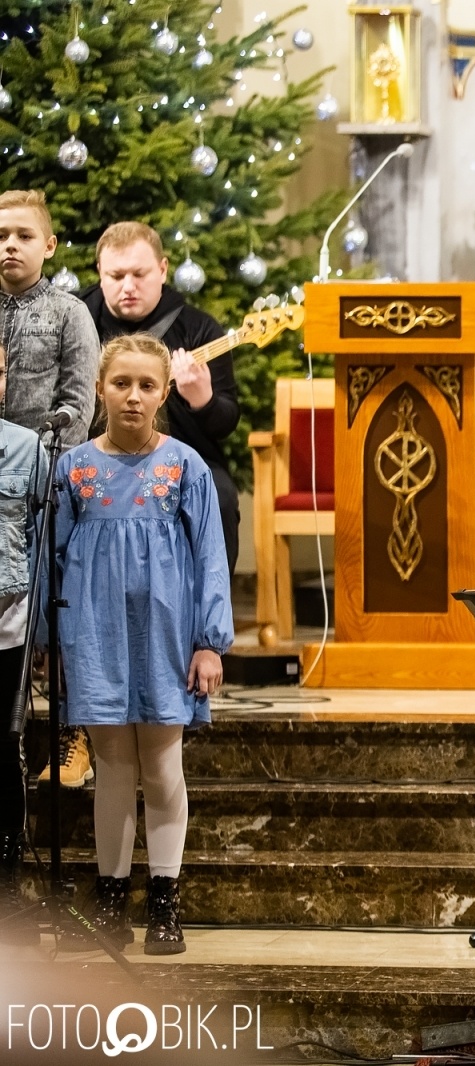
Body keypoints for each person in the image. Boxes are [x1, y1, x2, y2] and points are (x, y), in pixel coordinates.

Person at [53, 333, 232, 955]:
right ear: (101, 387)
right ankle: (109, 901)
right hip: (95, 633)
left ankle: (164, 903)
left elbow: (210, 556)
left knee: (160, 766)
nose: (133, 396)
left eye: (147, 385)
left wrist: (209, 642)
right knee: (112, 769)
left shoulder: (184, 466)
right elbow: (54, 557)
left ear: (163, 393)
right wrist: (54, 638)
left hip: (166, 634)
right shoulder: (73, 468)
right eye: (121, 383)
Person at [0, 190, 98, 792]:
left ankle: (72, 731)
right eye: (0, 235)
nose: (9, 245)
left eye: (23, 235)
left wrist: (38, 465)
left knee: (56, 600)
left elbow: (77, 407)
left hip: (45, 483)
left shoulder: (68, 314)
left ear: (49, 245)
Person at [82, 222, 241, 574]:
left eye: (139, 274)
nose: (128, 286)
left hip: (182, 460)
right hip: (94, 455)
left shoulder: (200, 329)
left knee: (220, 494)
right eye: (116, 275)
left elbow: (226, 422)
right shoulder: (80, 320)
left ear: (163, 269)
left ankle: (208, 619)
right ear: (100, 273)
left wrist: (204, 400)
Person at [0, 342, 47, 945]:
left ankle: (7, 878)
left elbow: (42, 536)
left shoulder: (25, 447)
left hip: (6, 624)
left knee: (2, 753)